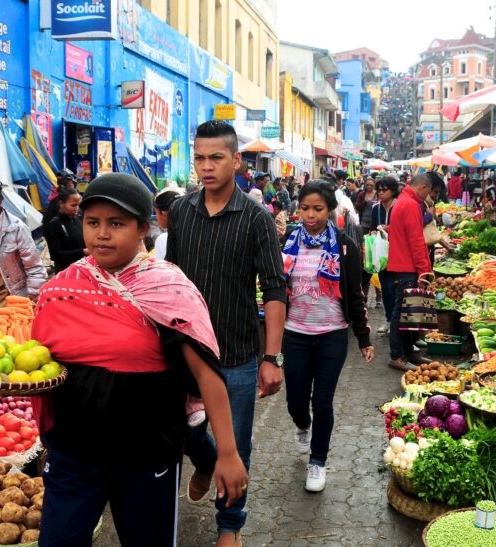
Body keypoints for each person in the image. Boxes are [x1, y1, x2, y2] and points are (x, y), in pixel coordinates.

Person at [32, 173, 247, 546]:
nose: (102, 234)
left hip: (147, 455)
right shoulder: (62, 289)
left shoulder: (169, 290)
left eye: (116, 224)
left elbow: (207, 374)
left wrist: (227, 452)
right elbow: (38, 367)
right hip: (74, 451)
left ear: (143, 228)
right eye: (92, 223)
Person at [166, 120, 286, 547]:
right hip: (183, 351)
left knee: (237, 445)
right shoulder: (181, 211)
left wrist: (272, 358)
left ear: (236, 160)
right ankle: (204, 461)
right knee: (183, 431)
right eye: (199, 158)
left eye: (216, 158)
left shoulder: (256, 218)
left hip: (235, 354)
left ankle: (229, 525)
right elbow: (172, 280)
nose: (206, 167)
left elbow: (274, 288)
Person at [281, 181, 373, 492]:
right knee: (296, 400)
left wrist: (364, 338)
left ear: (329, 209)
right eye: (305, 208)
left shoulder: (344, 245)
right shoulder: (287, 242)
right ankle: (302, 425)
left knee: (322, 401)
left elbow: (354, 294)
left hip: (332, 335)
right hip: (294, 334)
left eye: (317, 209)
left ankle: (318, 462)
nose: (310, 215)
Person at [386, 173, 433, 371]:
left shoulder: (403, 201)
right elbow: (416, 241)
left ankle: (408, 351)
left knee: (410, 314)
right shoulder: (411, 205)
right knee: (402, 313)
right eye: (427, 192)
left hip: (402, 265)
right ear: (422, 187)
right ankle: (397, 355)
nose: (427, 196)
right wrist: (424, 271)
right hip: (407, 267)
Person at [371, 177, 400, 334]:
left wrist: (389, 228)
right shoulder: (376, 208)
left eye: (384, 190)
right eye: (379, 190)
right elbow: (371, 228)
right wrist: (376, 231)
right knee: (386, 289)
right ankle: (389, 319)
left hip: (397, 253)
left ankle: (397, 323)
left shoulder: (399, 207)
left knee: (397, 290)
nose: (381, 193)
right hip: (382, 254)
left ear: (393, 191)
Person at [42, 188, 84, 274]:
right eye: (73, 205)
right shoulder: (55, 225)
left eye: (78, 205)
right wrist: (82, 252)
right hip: (66, 272)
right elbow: (56, 255)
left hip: (82, 268)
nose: (76, 208)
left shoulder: (78, 219)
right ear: (61, 203)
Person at [151, 190, 180, 260]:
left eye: (156, 213)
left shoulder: (163, 239)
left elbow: (160, 268)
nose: (156, 217)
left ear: (164, 214)